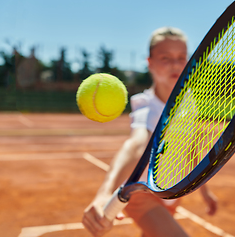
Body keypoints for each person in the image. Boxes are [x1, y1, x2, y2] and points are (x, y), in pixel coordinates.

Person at [82, 27, 218, 237]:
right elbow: (136, 144)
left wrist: (205, 192)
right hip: (142, 192)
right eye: (165, 58)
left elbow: (193, 151)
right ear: (150, 63)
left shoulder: (189, 102)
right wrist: (105, 192)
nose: (174, 64)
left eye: (181, 57)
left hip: (172, 192)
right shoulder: (145, 104)